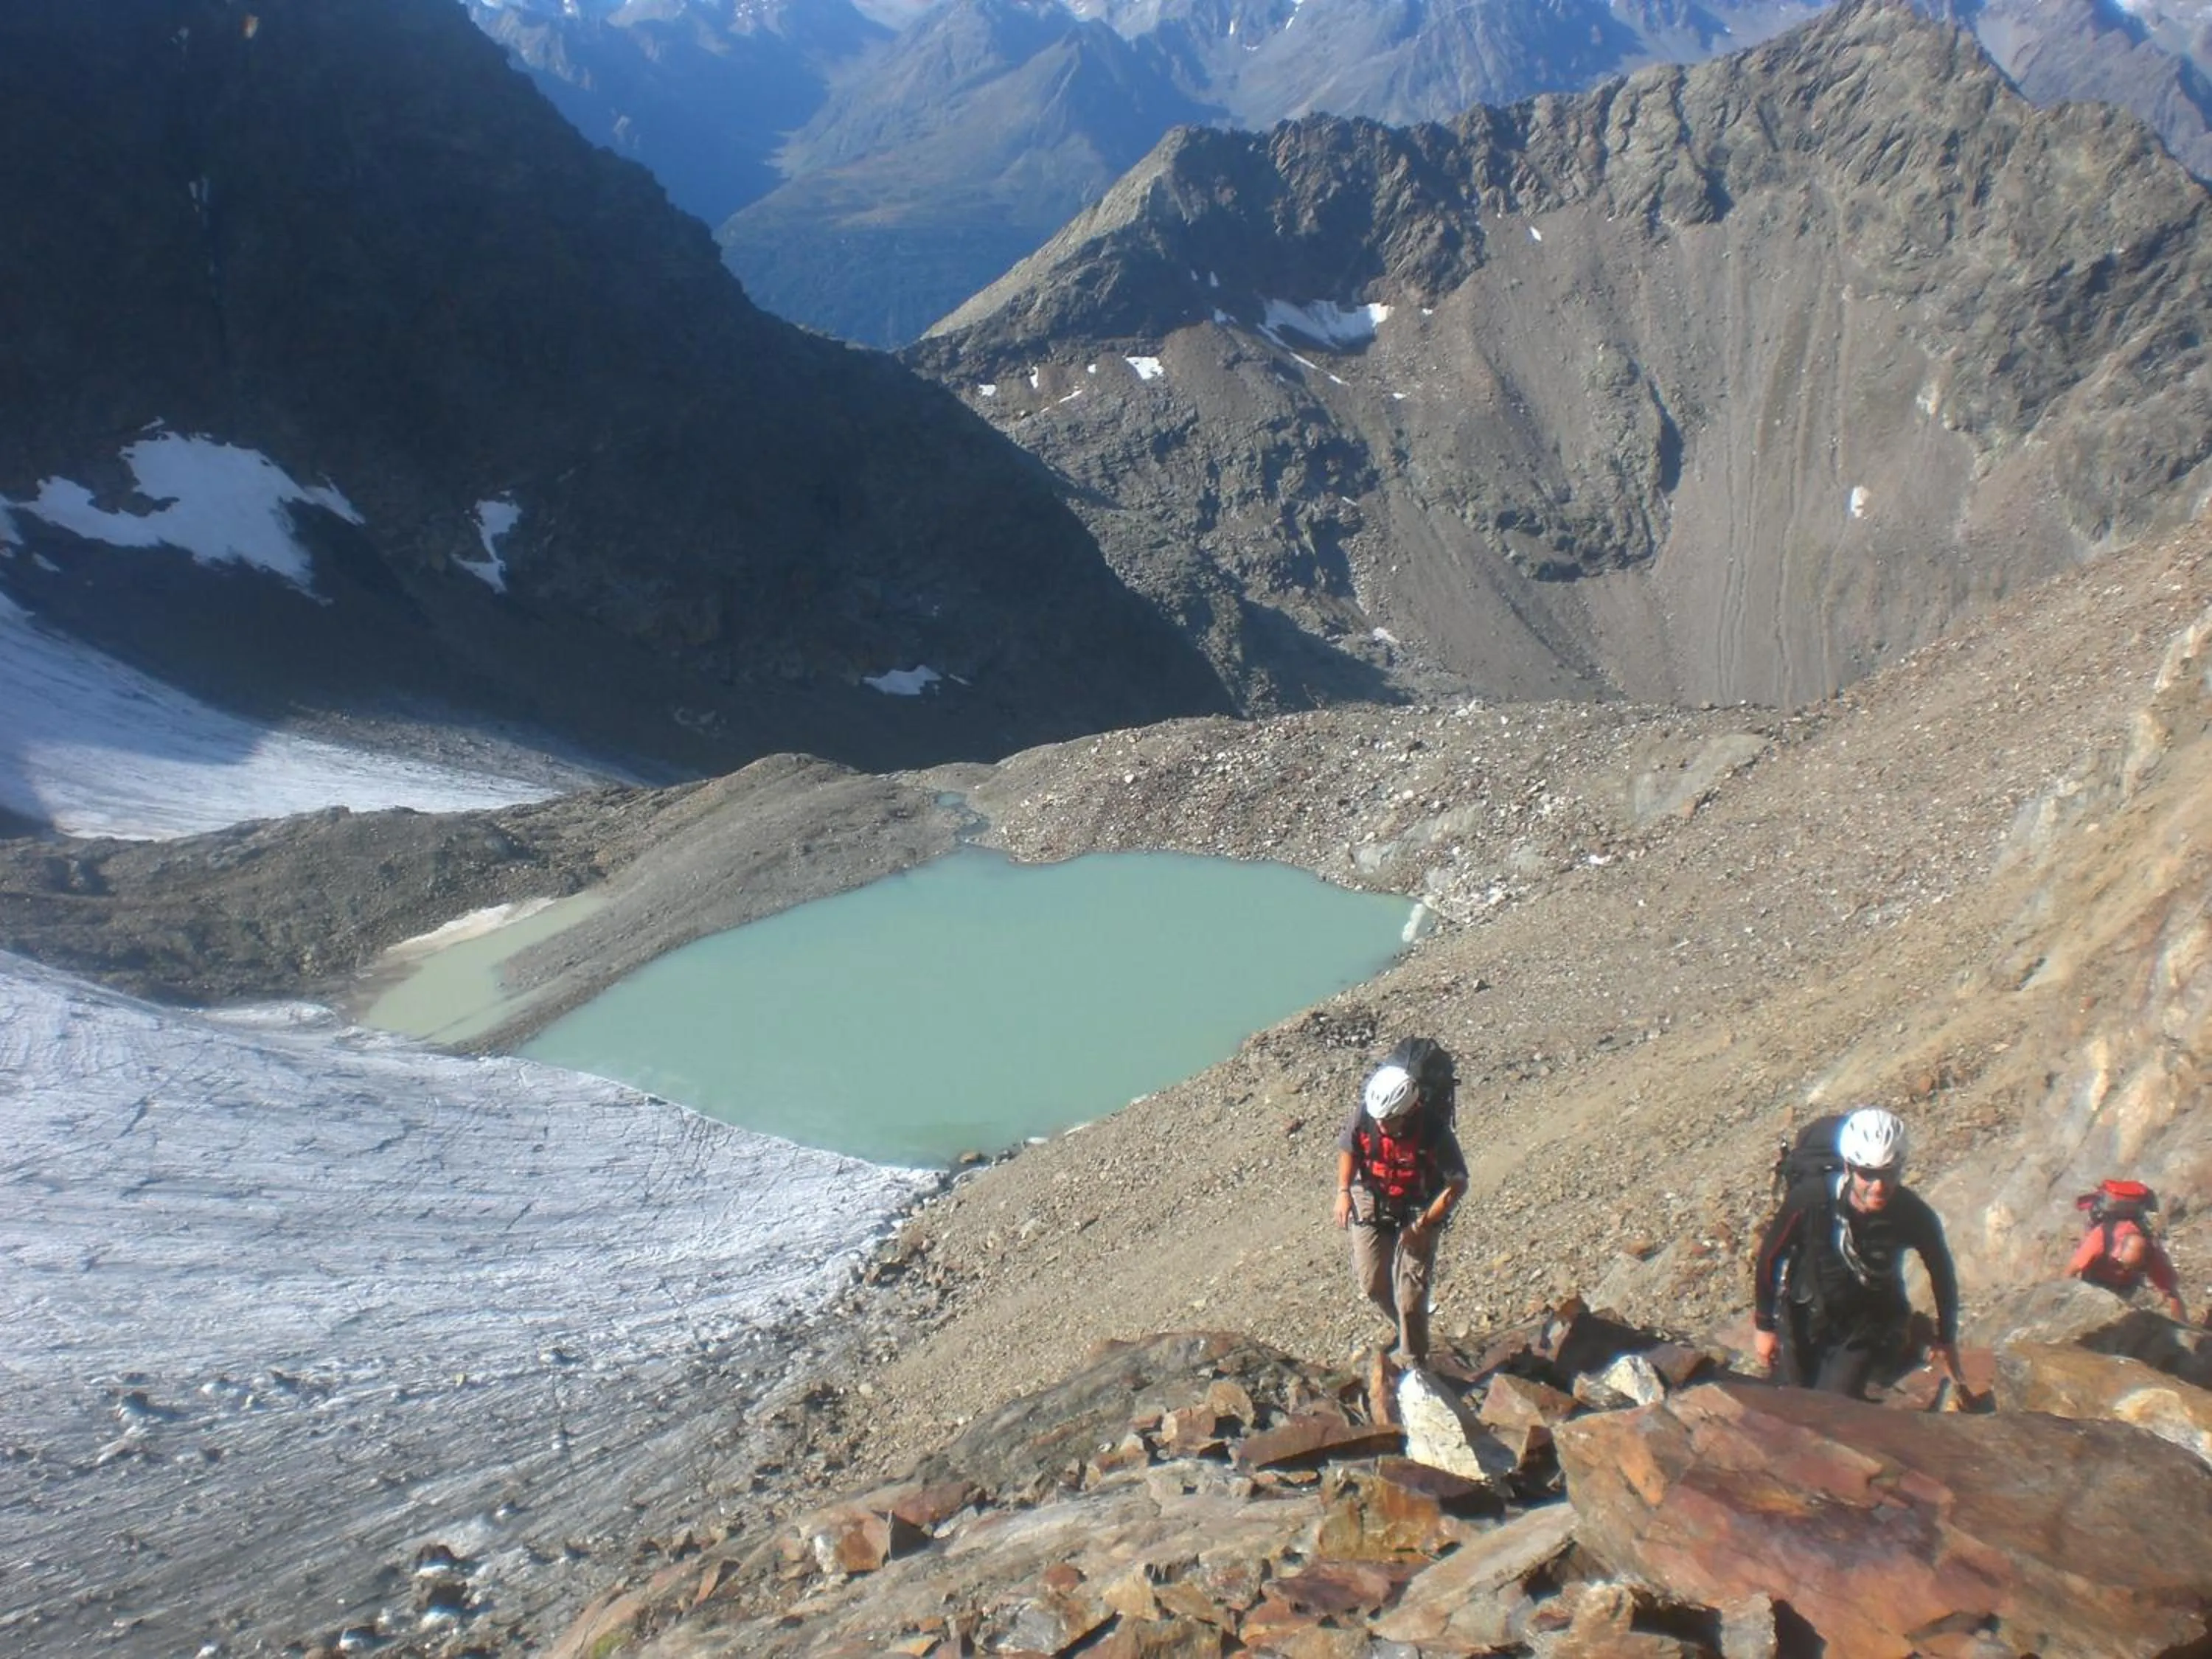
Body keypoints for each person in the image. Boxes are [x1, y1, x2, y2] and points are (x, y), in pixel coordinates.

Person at [1752, 1105, 1961, 1399]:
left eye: (1889, 1174)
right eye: (1868, 1174)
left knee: (1831, 1406)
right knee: (1790, 1396)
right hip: (1804, 1315)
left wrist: (1947, 1339)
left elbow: (1942, 1272)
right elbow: (1771, 1258)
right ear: (1849, 1167)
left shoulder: (1912, 1214)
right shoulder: (1810, 1200)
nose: (1879, 1186)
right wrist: (1765, 1326)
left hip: (1865, 1327)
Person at [1333, 1050, 1469, 1366]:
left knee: (1411, 1296)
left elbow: (1457, 1184)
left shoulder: (1435, 1132)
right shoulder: (1367, 1115)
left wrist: (1422, 1226)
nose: (1381, 1125)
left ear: (1407, 1112)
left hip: (1421, 1206)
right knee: (1372, 1283)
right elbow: (1348, 1148)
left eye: (1389, 1120)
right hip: (1373, 1193)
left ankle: (1415, 1362)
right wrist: (1343, 1191)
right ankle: (1404, 1327)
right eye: (1378, 1119)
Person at [2068, 1183, 2188, 1322]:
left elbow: (2171, 1293)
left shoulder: (2152, 1253)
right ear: (2118, 1252)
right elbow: (2071, 1270)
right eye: (2121, 1265)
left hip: (2126, 1288)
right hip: (2093, 1280)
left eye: (2134, 1268)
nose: (2124, 1270)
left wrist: (2184, 1327)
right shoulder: (2102, 1237)